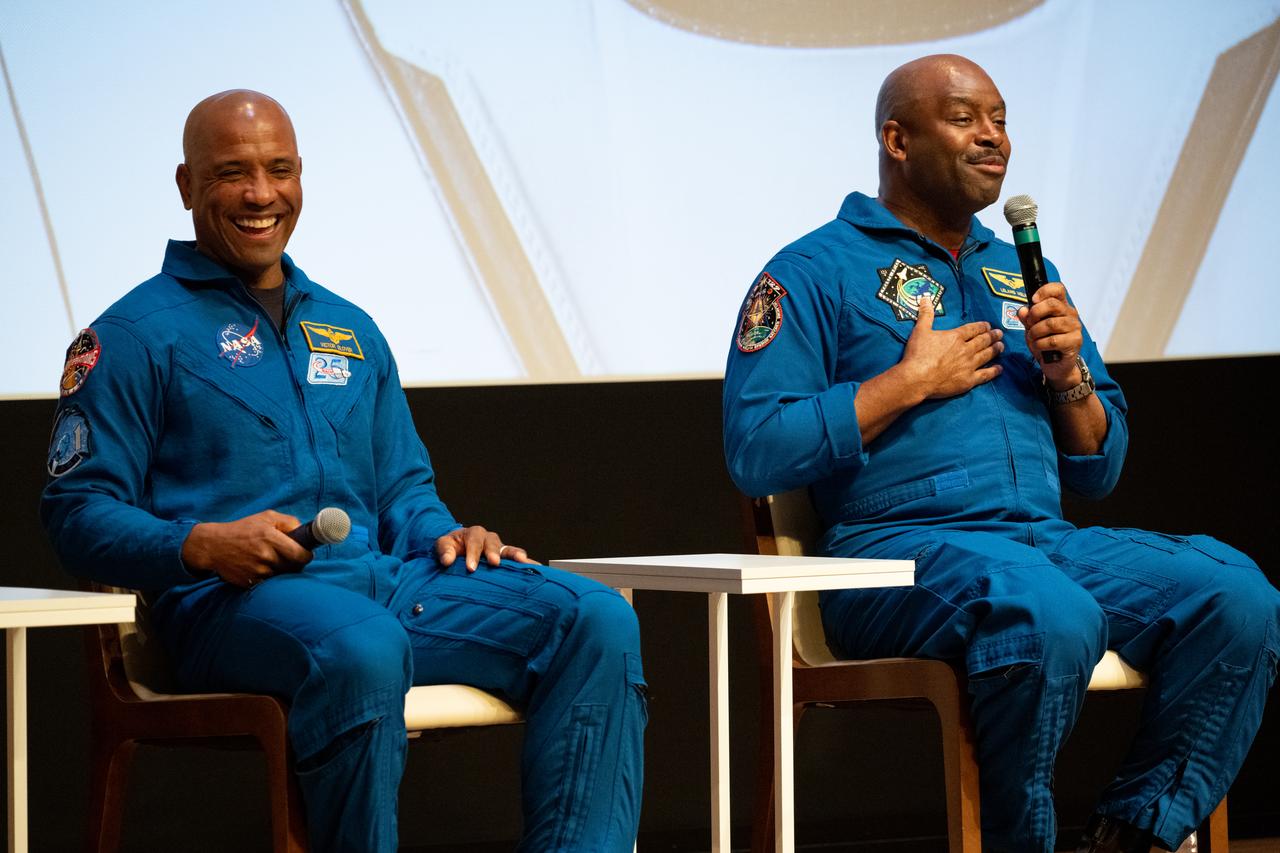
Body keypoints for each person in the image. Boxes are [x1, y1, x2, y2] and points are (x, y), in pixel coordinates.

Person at [41, 90, 646, 853]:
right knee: (364, 645)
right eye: (232, 173)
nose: (261, 193)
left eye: (279, 170)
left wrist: (447, 535)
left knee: (594, 618)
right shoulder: (131, 335)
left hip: (381, 588)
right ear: (187, 185)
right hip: (228, 608)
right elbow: (75, 511)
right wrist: (200, 544)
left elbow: (404, 491)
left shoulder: (348, 328)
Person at [722, 55, 1278, 853]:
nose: (994, 138)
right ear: (898, 140)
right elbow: (756, 447)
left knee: (1236, 596)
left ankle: (1134, 834)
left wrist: (1068, 376)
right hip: (893, 555)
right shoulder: (813, 270)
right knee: (1046, 610)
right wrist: (906, 383)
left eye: (1002, 120)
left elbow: (1100, 465)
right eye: (965, 118)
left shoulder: (1022, 272)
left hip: (1042, 544)